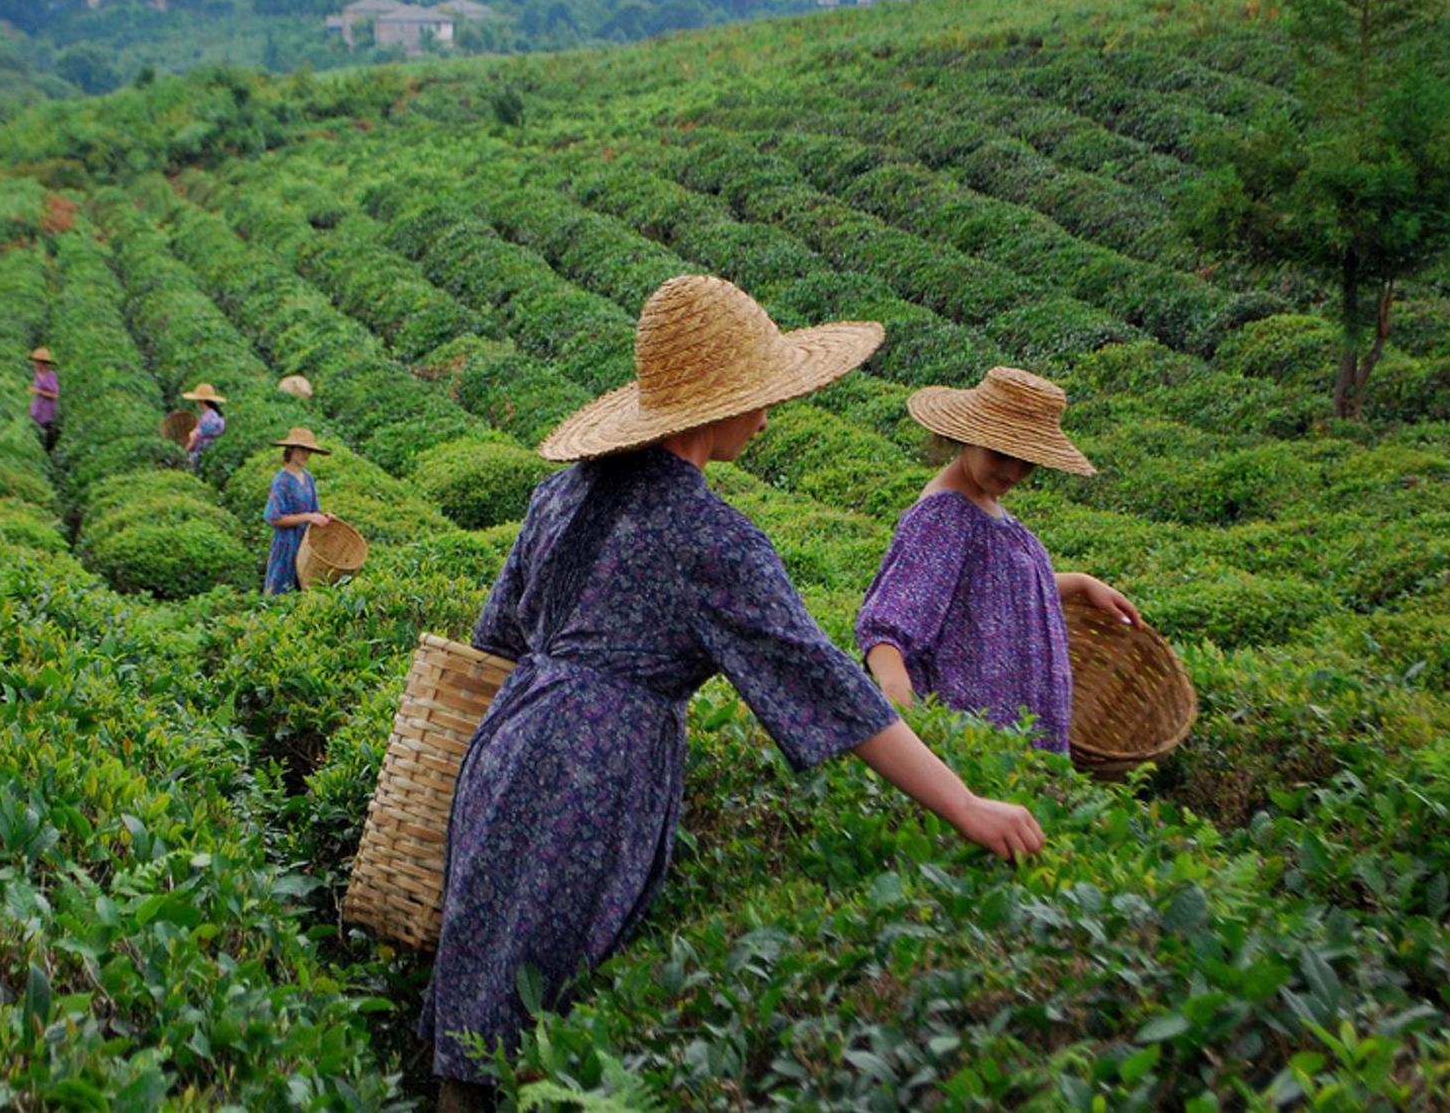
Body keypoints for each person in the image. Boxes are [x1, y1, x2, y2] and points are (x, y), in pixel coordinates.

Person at [424, 277, 1047, 1107]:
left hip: (506, 743)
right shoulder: (714, 540)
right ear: (712, 409)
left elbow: (495, 636)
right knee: (548, 1010)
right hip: (594, 773)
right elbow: (828, 684)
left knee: (484, 969)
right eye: (759, 396)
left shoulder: (562, 492)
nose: (767, 414)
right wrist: (965, 804)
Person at [855, 366, 1141, 755]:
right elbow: (886, 629)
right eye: (1001, 454)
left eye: (1026, 461)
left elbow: (988, 590)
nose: (1012, 471)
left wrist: (1078, 582)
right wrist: (907, 724)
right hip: (972, 751)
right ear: (969, 436)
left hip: (1008, 749)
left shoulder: (983, 504)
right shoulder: (946, 517)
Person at [263, 427, 332, 595]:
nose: (306, 455)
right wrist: (307, 517)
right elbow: (274, 518)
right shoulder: (282, 481)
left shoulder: (308, 478)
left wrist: (324, 517)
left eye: (309, 451)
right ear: (291, 450)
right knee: (282, 593)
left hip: (306, 542)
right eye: (302, 450)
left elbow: (314, 510)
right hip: (287, 543)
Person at [181, 384, 226, 471]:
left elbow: (196, 438)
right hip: (212, 451)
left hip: (203, 452)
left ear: (201, 401)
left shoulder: (209, 417)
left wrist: (184, 452)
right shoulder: (216, 415)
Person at [28, 346, 60, 451]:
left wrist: (40, 392)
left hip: (47, 413)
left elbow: (55, 395)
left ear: (43, 363)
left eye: (36, 362)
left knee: (46, 437)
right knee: (37, 436)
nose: (35, 364)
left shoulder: (51, 376)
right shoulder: (36, 375)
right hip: (37, 411)